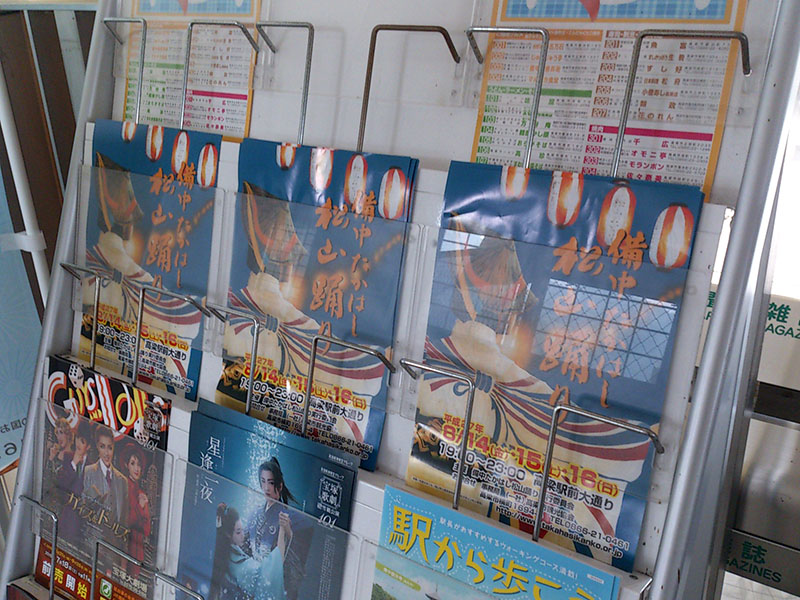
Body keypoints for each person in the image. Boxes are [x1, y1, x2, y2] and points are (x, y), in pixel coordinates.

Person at [246, 458, 312, 600]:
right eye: (263, 481)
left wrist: (288, 532)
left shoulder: (290, 517)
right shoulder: (256, 513)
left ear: (279, 486)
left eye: (271, 482)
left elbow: (292, 557)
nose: (266, 488)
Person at [211, 503, 288, 600]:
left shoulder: (222, 551)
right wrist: (282, 530)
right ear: (228, 534)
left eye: (242, 530)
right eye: (238, 532)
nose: (242, 535)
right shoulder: (240, 566)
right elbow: (271, 572)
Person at [83, 426, 128, 528]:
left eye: (110, 448)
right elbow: (83, 507)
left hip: (113, 536)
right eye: (102, 447)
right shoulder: (89, 472)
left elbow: (124, 520)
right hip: (93, 532)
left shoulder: (123, 481)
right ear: (97, 447)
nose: (106, 453)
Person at [56, 421, 92, 540]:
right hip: (67, 514)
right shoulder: (68, 457)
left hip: (84, 518)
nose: (78, 444)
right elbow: (61, 484)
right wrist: (73, 464)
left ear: (88, 446)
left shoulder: (92, 466)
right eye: (77, 439)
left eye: (82, 441)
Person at [121, 444, 151, 574]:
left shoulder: (141, 493)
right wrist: (140, 507)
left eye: (139, 464)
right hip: (124, 544)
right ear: (126, 465)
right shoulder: (123, 486)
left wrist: (143, 508)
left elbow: (147, 530)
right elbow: (127, 520)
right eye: (133, 463)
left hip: (137, 548)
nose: (136, 468)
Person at [47, 417, 73, 481]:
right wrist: (51, 458)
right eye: (57, 433)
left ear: (68, 434)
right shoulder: (54, 455)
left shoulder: (74, 457)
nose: (59, 437)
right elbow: (47, 478)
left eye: (61, 432)